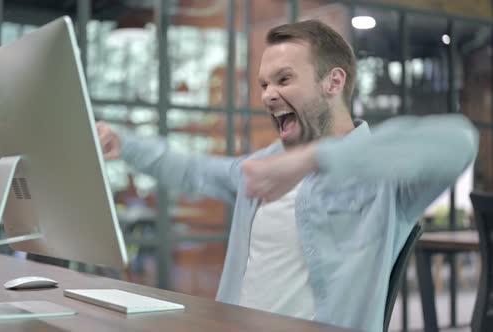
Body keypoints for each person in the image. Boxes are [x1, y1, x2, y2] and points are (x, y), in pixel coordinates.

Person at [96, 20, 478, 331]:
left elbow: (459, 140)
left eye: (283, 79)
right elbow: (193, 171)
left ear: (334, 82)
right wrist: (123, 143)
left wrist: (313, 159)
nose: (267, 95)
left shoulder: (386, 180)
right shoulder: (263, 166)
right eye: (264, 84)